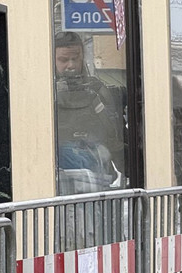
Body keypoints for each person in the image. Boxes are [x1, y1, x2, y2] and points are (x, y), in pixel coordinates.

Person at [53, 31, 126, 192]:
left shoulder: (97, 91)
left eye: (75, 58)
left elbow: (114, 136)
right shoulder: (45, 94)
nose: (71, 65)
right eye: (63, 60)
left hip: (98, 175)